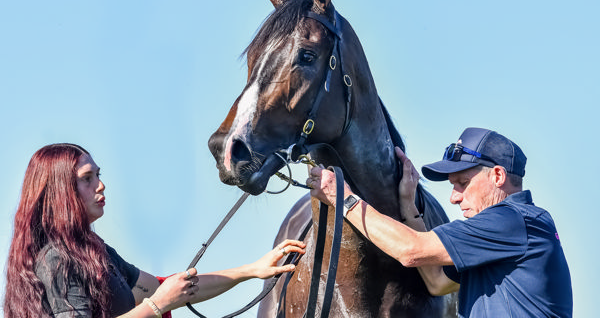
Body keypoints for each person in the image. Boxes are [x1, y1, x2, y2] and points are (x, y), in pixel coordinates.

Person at [4, 143, 305, 318]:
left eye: (99, 174)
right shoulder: (55, 260)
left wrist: (252, 270)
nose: (101, 184)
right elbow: (162, 296)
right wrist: (158, 304)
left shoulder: (96, 251)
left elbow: (172, 286)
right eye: (87, 178)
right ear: (60, 191)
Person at [308, 127, 572, 317]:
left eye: (463, 183)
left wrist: (343, 198)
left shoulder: (513, 219)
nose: (454, 198)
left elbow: (411, 251)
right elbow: (437, 282)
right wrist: (409, 209)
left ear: (498, 175)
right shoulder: (504, 238)